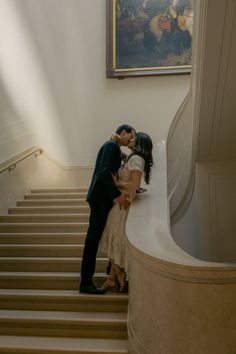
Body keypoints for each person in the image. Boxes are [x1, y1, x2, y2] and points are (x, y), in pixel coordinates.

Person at [79, 124, 136, 294]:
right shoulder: (111, 146)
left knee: (102, 235)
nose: (132, 139)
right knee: (93, 239)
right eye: (131, 136)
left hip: (102, 198)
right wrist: (116, 195)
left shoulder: (113, 147)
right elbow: (104, 171)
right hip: (99, 198)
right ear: (123, 132)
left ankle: (110, 271)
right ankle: (86, 282)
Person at [99, 132, 153, 292]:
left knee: (113, 237)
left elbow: (135, 185)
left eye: (134, 138)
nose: (131, 138)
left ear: (140, 143)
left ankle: (117, 276)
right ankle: (113, 277)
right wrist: (115, 140)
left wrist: (116, 184)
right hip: (121, 204)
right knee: (112, 236)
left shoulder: (137, 159)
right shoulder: (132, 157)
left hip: (124, 205)